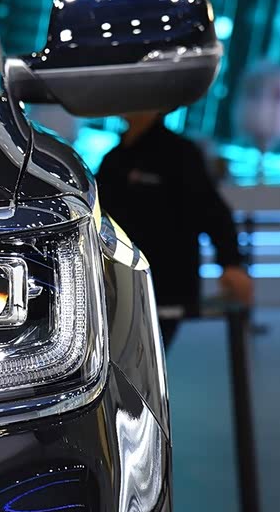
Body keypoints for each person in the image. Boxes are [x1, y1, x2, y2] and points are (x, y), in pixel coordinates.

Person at [96, 110, 254, 348]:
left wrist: (231, 263)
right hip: (117, 282)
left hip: (167, 284)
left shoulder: (179, 153)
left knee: (142, 352)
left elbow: (212, 210)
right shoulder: (114, 159)